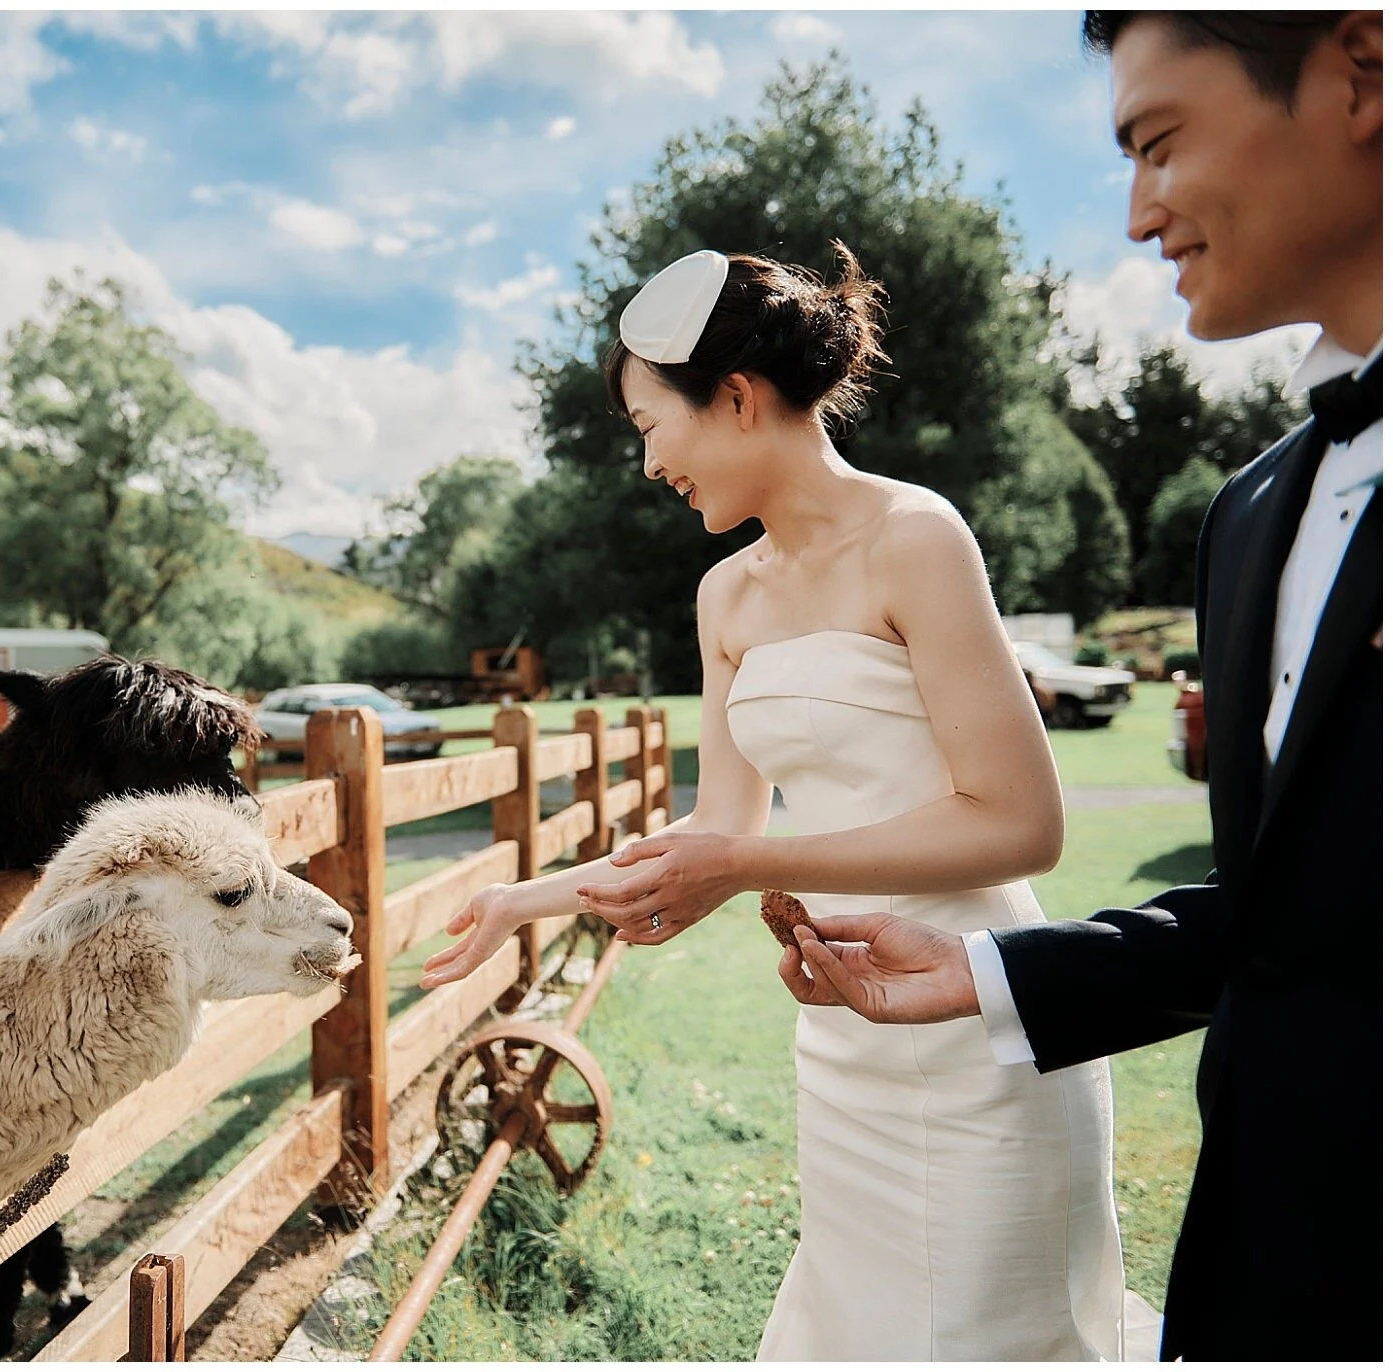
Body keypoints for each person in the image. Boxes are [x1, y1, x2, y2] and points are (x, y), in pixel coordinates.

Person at [775, 11, 1381, 1361]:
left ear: (1362, 70)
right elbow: (1292, 921)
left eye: (1158, 145)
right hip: (1273, 1286)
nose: (1135, 215)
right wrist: (991, 972)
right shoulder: (1255, 509)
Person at [419, 242, 1127, 1359]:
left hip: (976, 1017)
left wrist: (754, 869)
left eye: (652, 426)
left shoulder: (915, 537)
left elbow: (1018, 822)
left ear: (736, 398)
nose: (648, 464)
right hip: (841, 1043)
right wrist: (526, 897)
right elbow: (719, 836)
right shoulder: (722, 598)